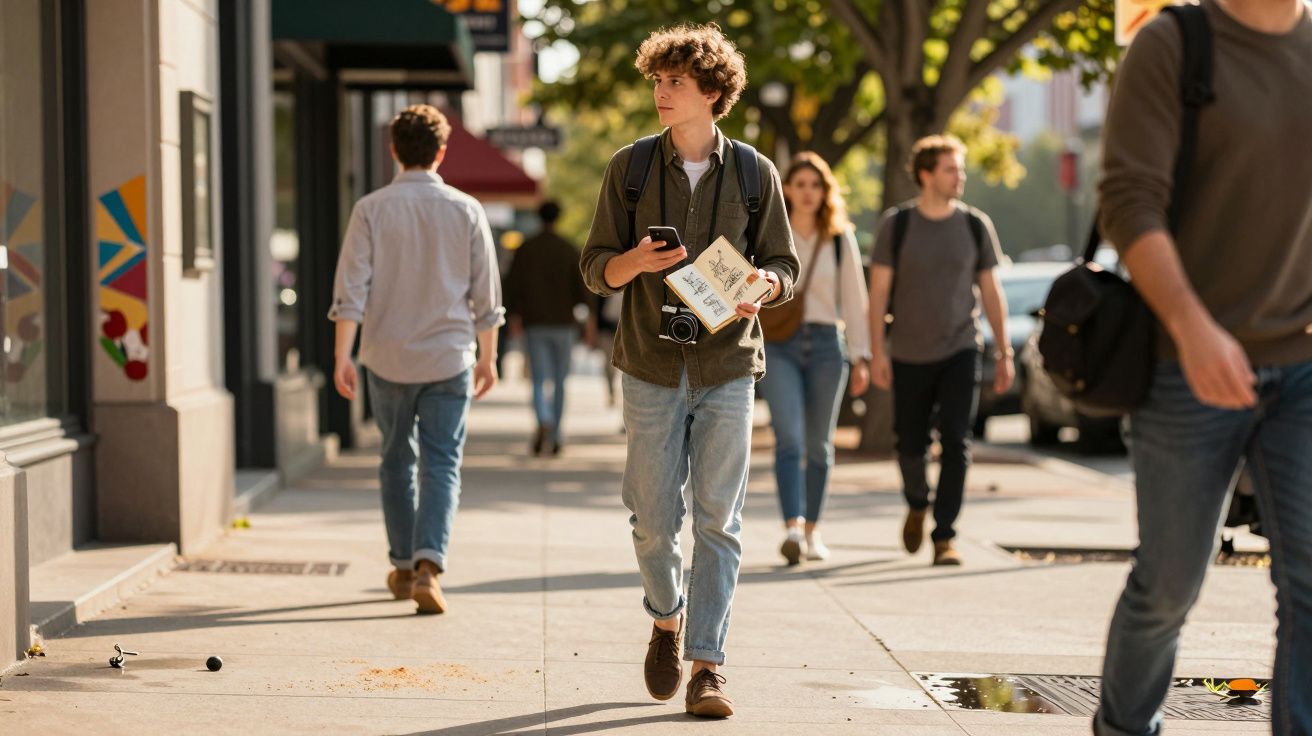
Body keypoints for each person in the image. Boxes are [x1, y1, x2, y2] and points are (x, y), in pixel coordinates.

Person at [1094, 1, 1312, 733]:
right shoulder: (1173, 44)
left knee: (1311, 582)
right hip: (1184, 364)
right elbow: (1128, 202)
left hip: (1303, 366)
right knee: (1170, 587)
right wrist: (1192, 327)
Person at [579, 23, 798, 719]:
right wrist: (634, 263)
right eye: (658, 80)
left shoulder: (755, 173)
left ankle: (708, 664)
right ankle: (666, 618)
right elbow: (594, 269)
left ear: (713, 92)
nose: (661, 92)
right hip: (648, 362)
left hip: (728, 363)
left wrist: (764, 282)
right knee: (651, 517)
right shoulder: (631, 167)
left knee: (719, 521)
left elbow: (785, 266)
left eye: (676, 82)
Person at [328, 104, 503, 615]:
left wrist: (343, 354)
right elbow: (486, 296)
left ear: (393, 151)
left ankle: (403, 565)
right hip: (449, 356)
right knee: (442, 462)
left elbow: (350, 289)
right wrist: (488, 358)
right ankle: (429, 566)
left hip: (385, 357)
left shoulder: (370, 209)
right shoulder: (466, 209)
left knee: (394, 459)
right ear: (442, 151)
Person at [867, 134, 1012, 567]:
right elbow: (878, 294)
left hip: (961, 348)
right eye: (951, 169)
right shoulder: (898, 224)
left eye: (961, 168)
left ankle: (945, 535)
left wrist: (1003, 351)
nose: (960, 176)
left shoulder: (974, 224)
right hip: (908, 351)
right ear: (926, 174)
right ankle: (917, 502)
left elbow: (990, 289)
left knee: (956, 440)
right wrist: (877, 351)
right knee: (909, 443)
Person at [759, 152, 871, 565]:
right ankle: (791, 527)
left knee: (819, 446)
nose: (808, 192)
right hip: (779, 346)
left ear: (826, 192)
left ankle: (813, 532)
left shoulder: (840, 239)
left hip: (827, 346)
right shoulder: (771, 234)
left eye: (816, 185)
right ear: (787, 188)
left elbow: (856, 303)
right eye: (800, 184)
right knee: (789, 438)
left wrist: (861, 356)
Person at [505, 200, 591, 455]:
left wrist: (514, 318)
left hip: (534, 322)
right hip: (564, 324)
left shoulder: (526, 248)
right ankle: (556, 432)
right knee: (561, 380)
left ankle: (544, 419)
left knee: (539, 378)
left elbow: (512, 286)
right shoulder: (569, 249)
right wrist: (589, 327)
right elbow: (583, 291)